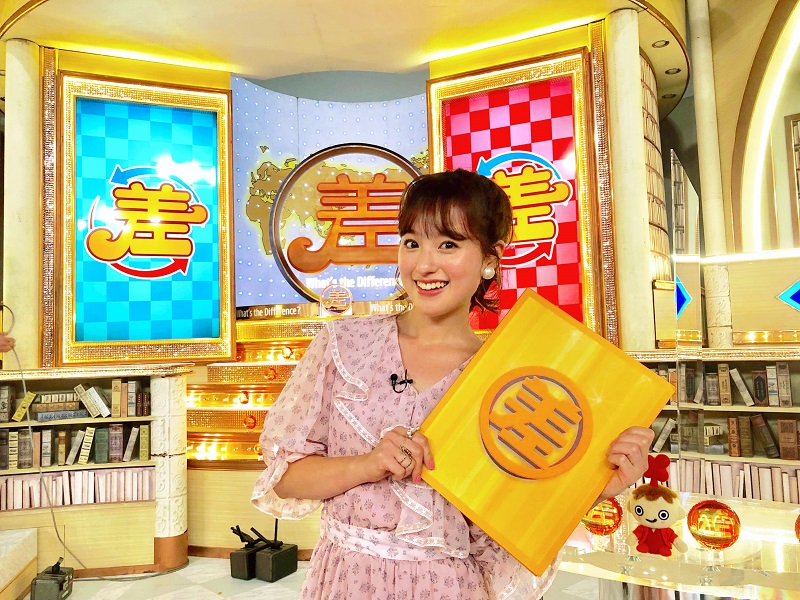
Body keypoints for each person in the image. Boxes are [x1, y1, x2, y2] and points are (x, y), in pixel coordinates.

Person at [252, 168, 654, 599]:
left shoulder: (507, 380)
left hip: (449, 587)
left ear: (490, 258)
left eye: (448, 244)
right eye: (412, 242)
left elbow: (510, 525)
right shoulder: (343, 345)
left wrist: (592, 487)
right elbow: (286, 478)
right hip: (346, 581)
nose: (425, 265)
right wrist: (368, 464)